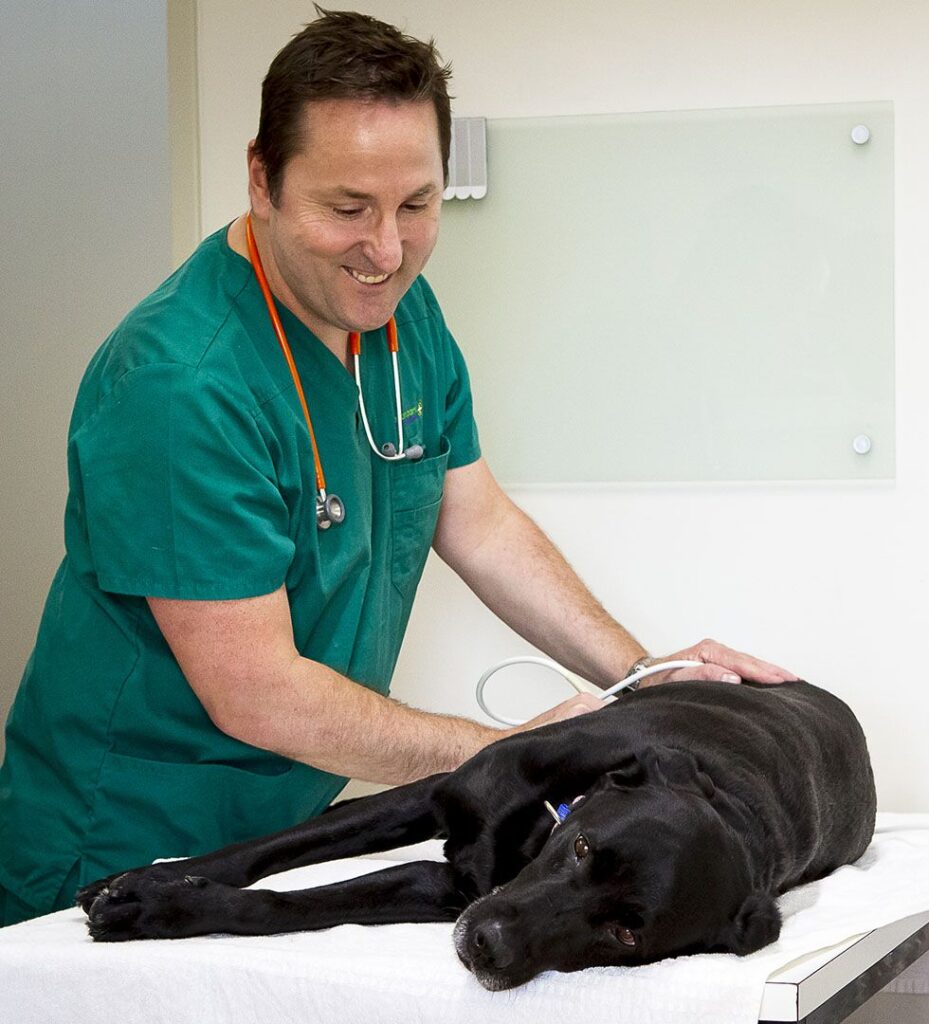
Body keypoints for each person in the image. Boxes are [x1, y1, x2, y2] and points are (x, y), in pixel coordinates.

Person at [0, 8, 795, 927]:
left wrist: (640, 676)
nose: (386, 251)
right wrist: (506, 756)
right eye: (347, 210)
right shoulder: (182, 384)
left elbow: (476, 519)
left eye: (417, 205)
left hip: (278, 825)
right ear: (261, 179)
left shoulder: (398, 319)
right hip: (123, 834)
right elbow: (255, 692)